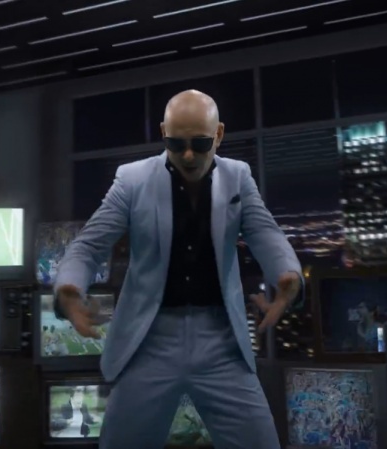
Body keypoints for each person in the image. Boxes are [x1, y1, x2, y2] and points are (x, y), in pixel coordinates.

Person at [54, 90, 303, 449]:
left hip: (221, 341)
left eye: (200, 144)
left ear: (218, 134)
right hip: (149, 340)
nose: (188, 155)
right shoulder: (133, 180)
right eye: (176, 143)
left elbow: (266, 233)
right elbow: (89, 245)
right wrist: (69, 290)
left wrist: (288, 275)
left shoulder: (238, 177)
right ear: (163, 134)